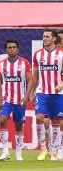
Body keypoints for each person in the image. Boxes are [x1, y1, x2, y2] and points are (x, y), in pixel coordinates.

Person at [30, 29, 63, 161]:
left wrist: (61, 84)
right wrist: (31, 92)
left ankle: (55, 150)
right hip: (42, 92)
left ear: (54, 39)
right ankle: (43, 148)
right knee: (39, 117)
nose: (45, 38)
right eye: (44, 36)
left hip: (58, 93)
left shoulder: (61, 54)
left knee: (57, 121)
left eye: (47, 36)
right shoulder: (37, 54)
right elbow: (35, 74)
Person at [0, 40, 32, 162]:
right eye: (9, 48)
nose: (11, 49)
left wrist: (27, 96)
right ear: (6, 50)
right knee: (2, 120)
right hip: (6, 99)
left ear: (18, 49)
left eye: (14, 47)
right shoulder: (1, 65)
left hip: (20, 100)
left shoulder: (24, 63)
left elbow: (30, 80)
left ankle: (18, 153)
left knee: (19, 125)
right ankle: (5, 151)